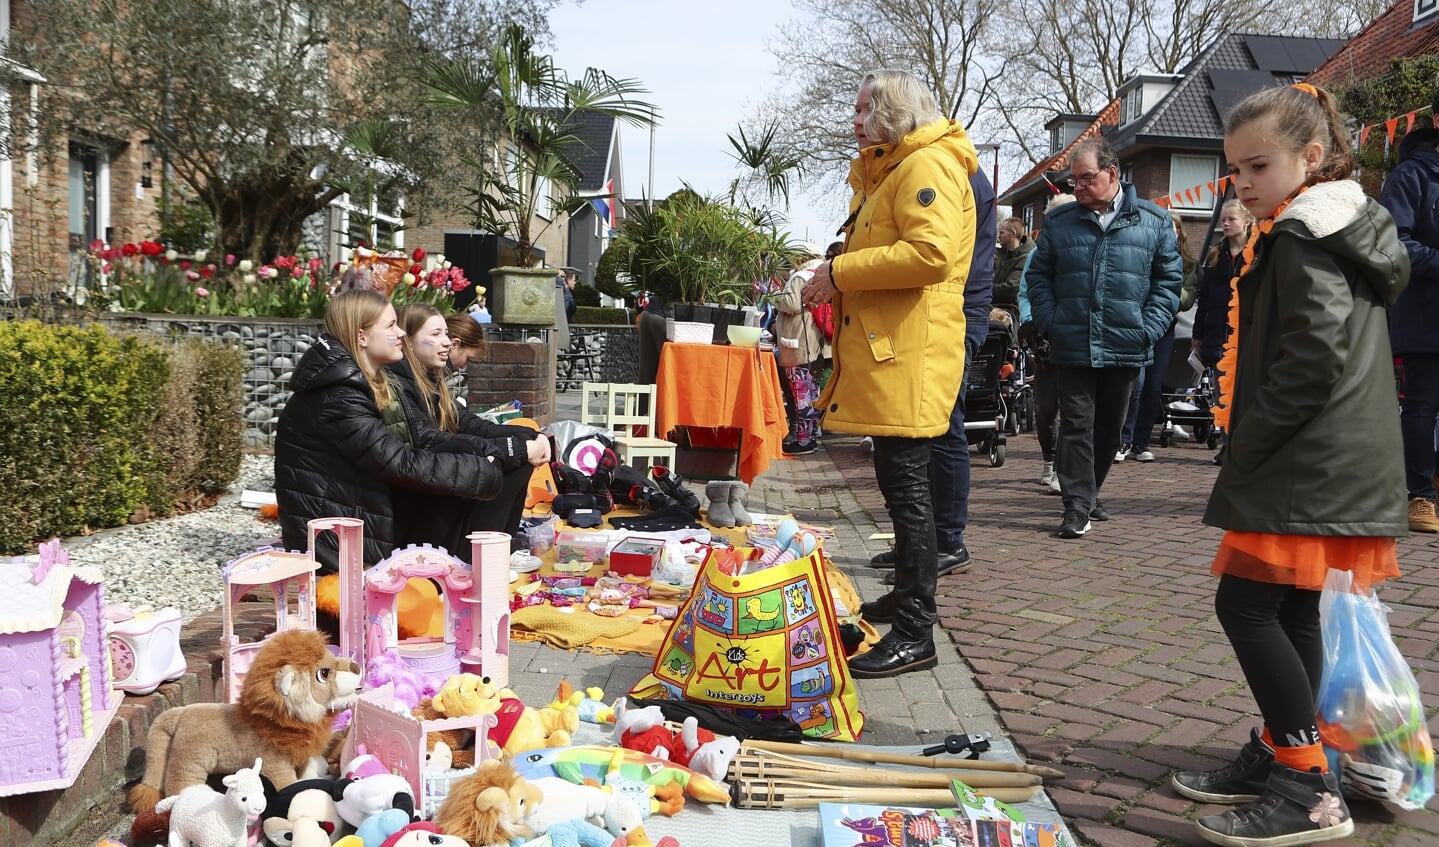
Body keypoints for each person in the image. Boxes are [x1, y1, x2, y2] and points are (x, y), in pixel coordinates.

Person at [1171, 83, 1409, 847]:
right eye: (1232, 168)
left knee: (1243, 607)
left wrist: (1247, 441)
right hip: (1329, 455)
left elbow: (1311, 355)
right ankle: (1287, 753)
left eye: (1255, 166)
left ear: (1310, 158)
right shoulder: (1322, 225)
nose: (1239, 183)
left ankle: (1306, 784)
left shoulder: (1303, 235)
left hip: (1307, 457)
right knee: (1289, 608)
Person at [800, 68, 977, 678]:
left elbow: (931, 255)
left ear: (891, 112)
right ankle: (906, 601)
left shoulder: (925, 167)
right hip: (896, 354)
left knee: (909, 492)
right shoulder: (898, 169)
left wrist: (840, 271)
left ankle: (915, 630)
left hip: (911, 356)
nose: (852, 122)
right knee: (899, 484)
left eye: (860, 110)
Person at [274, 290, 504, 571]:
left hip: (361, 517)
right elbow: (398, 463)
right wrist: (482, 470)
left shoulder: (366, 381)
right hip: (338, 547)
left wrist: (485, 451)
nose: (401, 334)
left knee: (467, 482)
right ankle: (459, 577)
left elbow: (419, 440)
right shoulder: (338, 395)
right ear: (362, 337)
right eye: (391, 326)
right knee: (459, 489)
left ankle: (469, 571)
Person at [1025, 137, 1182, 538]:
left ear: (1112, 173)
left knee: (1110, 428)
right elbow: (1038, 277)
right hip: (1072, 341)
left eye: (1085, 178)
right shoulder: (1060, 224)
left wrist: (1148, 327)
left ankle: (1090, 491)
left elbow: (1168, 282)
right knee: (1076, 424)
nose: (1076, 188)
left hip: (1127, 343)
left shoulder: (1154, 221)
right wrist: (1049, 319)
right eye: (1073, 180)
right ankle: (1076, 506)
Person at [872, 169, 996, 582]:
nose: (860, 123)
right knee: (919, 426)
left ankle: (947, 542)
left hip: (952, 314)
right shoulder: (927, 166)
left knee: (944, 425)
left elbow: (933, 254)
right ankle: (920, 543)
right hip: (937, 312)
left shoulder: (945, 169)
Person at [388, 304, 551, 558]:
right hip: (416, 502)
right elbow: (430, 442)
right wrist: (513, 450)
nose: (446, 343)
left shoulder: (428, 379)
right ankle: (480, 560)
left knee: (518, 456)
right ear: (407, 340)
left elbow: (464, 422)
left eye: (445, 334)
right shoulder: (398, 385)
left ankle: (497, 554)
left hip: (434, 481)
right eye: (436, 334)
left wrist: (528, 436)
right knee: (504, 465)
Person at [1378, 85, 1439, 534]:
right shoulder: (1411, 175)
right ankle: (1420, 495)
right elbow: (1394, 242)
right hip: (1424, 314)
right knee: (1423, 405)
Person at [1122, 210, 1199, 463]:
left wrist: (1169, 295)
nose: (1169, 231)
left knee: (1154, 387)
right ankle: (1124, 439)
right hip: (1141, 326)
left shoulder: (1187, 263)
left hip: (1166, 327)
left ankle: (1140, 442)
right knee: (1136, 384)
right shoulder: (1144, 255)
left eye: (1174, 227)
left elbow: (1187, 297)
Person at [1019, 193, 1076, 493]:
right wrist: (1031, 321)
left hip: (1075, 338)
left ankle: (1064, 468)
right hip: (1044, 338)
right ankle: (1048, 460)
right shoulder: (1036, 254)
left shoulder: (1084, 249)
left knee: (1074, 408)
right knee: (1045, 407)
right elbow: (1025, 293)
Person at [774, 244, 830, 455]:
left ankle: (805, 441)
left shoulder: (800, 277)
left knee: (801, 395)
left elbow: (791, 304)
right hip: (815, 345)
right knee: (811, 393)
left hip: (798, 344)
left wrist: (776, 295)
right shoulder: (819, 274)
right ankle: (811, 436)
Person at [992, 217, 1033, 309]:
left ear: (1013, 234)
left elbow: (1011, 289)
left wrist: (984, 289)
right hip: (997, 307)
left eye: (1002, 232)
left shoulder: (1025, 258)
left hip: (1012, 310)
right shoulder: (1002, 255)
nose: (999, 236)